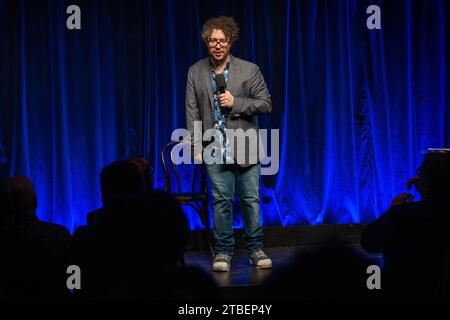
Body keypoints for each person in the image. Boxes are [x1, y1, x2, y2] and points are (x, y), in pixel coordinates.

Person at [186, 16, 272, 271]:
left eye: (222, 40)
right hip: (214, 147)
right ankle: (223, 252)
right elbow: (192, 112)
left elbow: (265, 104)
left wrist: (237, 103)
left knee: (250, 200)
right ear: (206, 42)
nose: (217, 45)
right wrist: (196, 147)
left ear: (230, 41)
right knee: (221, 201)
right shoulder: (195, 71)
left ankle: (255, 248)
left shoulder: (249, 69)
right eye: (212, 40)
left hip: (246, 146)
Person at [361, 152, 450, 297]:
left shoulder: (403, 215)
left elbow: (368, 242)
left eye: (420, 174)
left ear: (426, 183)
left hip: (404, 292)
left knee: (371, 281)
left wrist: (392, 210)